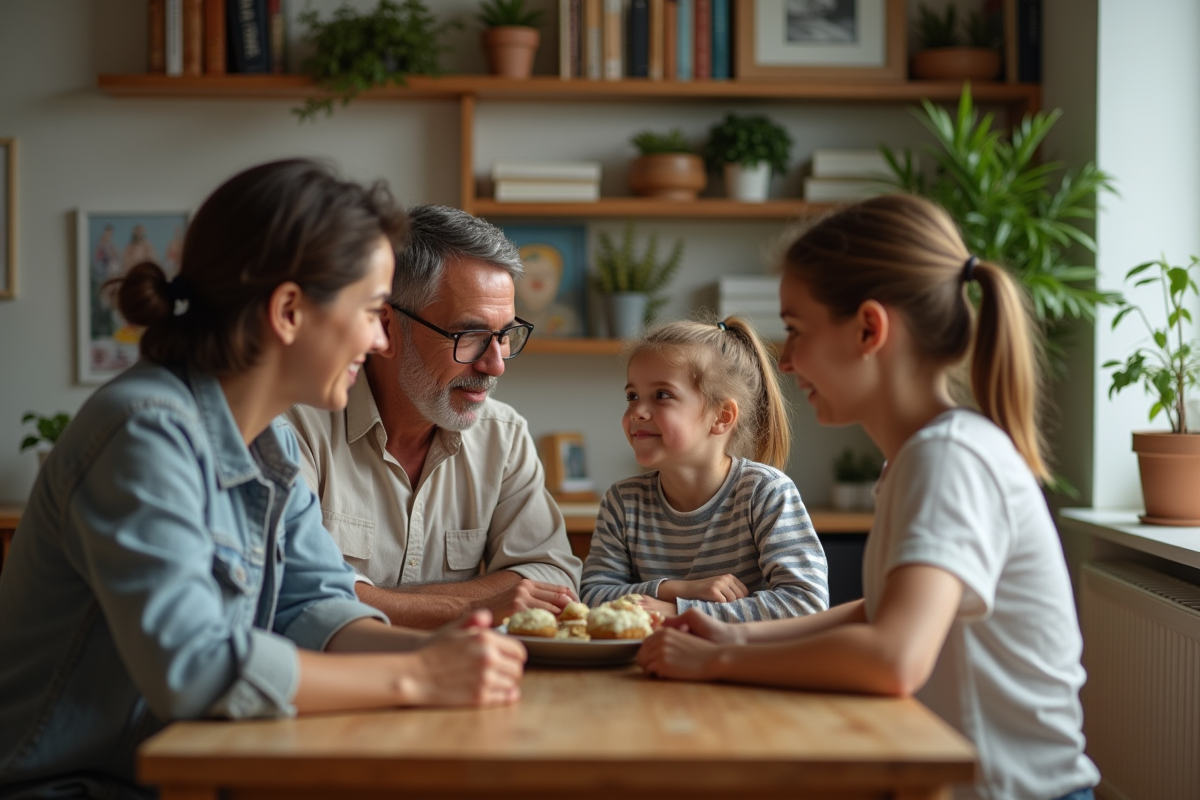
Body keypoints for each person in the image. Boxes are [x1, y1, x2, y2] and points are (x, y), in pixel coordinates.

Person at [0, 160, 526, 800]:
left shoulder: (268, 440)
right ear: (289, 312)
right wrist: (417, 678)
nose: (378, 339)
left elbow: (316, 606)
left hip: (202, 772)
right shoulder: (143, 433)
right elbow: (193, 666)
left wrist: (439, 654)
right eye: (370, 311)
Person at [637, 195, 1099, 800]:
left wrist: (716, 663)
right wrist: (736, 636)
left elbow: (893, 656)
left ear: (869, 329)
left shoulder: (949, 459)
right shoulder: (922, 457)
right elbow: (879, 609)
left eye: (796, 330)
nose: (785, 359)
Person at [284, 205, 582, 630]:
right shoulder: (295, 425)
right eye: (470, 335)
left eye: (504, 335)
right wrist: (470, 607)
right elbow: (295, 589)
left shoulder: (504, 436)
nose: (496, 365)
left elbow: (553, 576)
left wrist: (371, 598)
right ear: (385, 328)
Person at [580, 315, 829, 622]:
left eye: (662, 395)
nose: (637, 412)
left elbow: (806, 603)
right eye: (632, 396)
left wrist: (680, 611)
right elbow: (591, 596)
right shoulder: (622, 502)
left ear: (722, 417)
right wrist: (677, 589)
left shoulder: (765, 492)